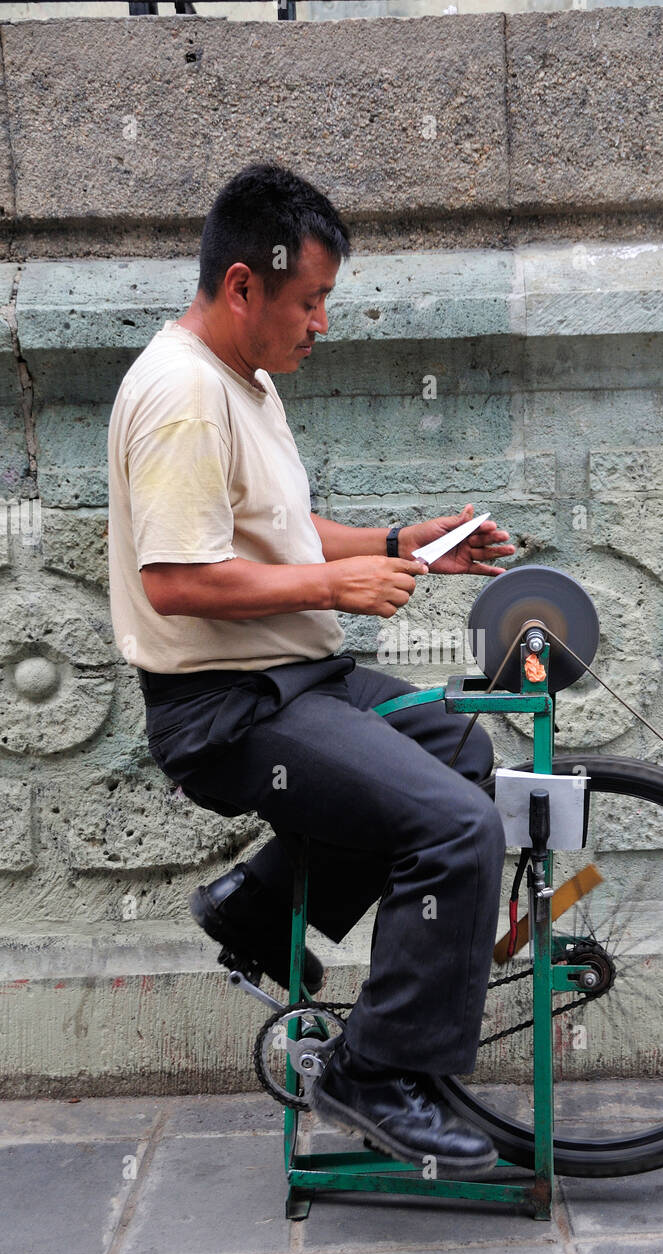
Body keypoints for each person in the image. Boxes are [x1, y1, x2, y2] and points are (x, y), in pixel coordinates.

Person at [107, 161, 515, 1178]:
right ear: (243, 285)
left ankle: (254, 906)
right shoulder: (183, 398)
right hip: (226, 711)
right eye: (310, 300)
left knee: (462, 752)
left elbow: (276, 531)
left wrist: (397, 540)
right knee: (453, 824)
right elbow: (175, 581)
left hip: (295, 677)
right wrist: (334, 591)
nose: (321, 324)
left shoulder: (239, 380)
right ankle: (374, 1075)